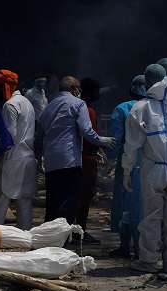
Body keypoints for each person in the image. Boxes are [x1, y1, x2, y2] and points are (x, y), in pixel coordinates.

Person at [119, 64, 167, 276]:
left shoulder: (141, 108)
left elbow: (132, 145)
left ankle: (149, 261)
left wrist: (126, 171)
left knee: (151, 217)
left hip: (153, 170)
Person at [35, 76, 116, 226]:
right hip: (69, 160)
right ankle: (61, 241)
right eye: (78, 89)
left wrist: (39, 156)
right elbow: (86, 130)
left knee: (52, 203)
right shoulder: (78, 104)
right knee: (67, 204)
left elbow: (41, 131)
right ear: (74, 89)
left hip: (51, 162)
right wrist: (104, 140)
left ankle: (48, 239)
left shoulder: (49, 106)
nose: (80, 92)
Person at [0, 69, 37, 231]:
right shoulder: (27, 103)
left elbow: (9, 137)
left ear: (4, 87)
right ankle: (25, 237)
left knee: (1, 198)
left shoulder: (10, 105)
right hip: (28, 158)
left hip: (13, 159)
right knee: (24, 201)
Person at [108, 75, 146, 258]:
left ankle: (125, 246)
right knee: (144, 204)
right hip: (149, 163)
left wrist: (110, 156)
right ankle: (142, 247)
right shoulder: (153, 108)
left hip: (127, 162)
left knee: (124, 202)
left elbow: (117, 138)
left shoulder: (122, 108)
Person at [73, 77, 103, 243]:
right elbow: (93, 134)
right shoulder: (88, 110)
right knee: (85, 195)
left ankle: (75, 229)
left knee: (78, 195)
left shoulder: (76, 107)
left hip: (77, 157)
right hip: (87, 157)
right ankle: (80, 230)